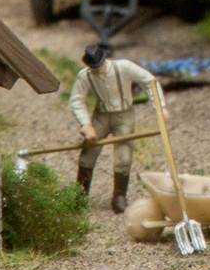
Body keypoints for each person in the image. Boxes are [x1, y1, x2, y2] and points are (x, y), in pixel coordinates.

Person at [69, 41, 164, 212]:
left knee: (124, 156)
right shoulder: (86, 75)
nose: (97, 70)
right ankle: (80, 195)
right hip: (101, 116)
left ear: (104, 60)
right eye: (93, 67)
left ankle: (119, 196)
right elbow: (76, 99)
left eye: (99, 66)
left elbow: (149, 81)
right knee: (88, 153)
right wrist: (86, 124)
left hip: (124, 116)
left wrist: (160, 107)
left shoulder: (124, 67)